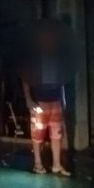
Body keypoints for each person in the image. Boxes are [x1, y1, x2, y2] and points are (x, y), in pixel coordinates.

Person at [20, 19, 72, 177]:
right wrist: (29, 99)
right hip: (39, 102)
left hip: (55, 101)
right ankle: (38, 164)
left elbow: (61, 80)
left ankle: (56, 164)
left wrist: (62, 101)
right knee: (38, 135)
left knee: (57, 135)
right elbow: (26, 79)